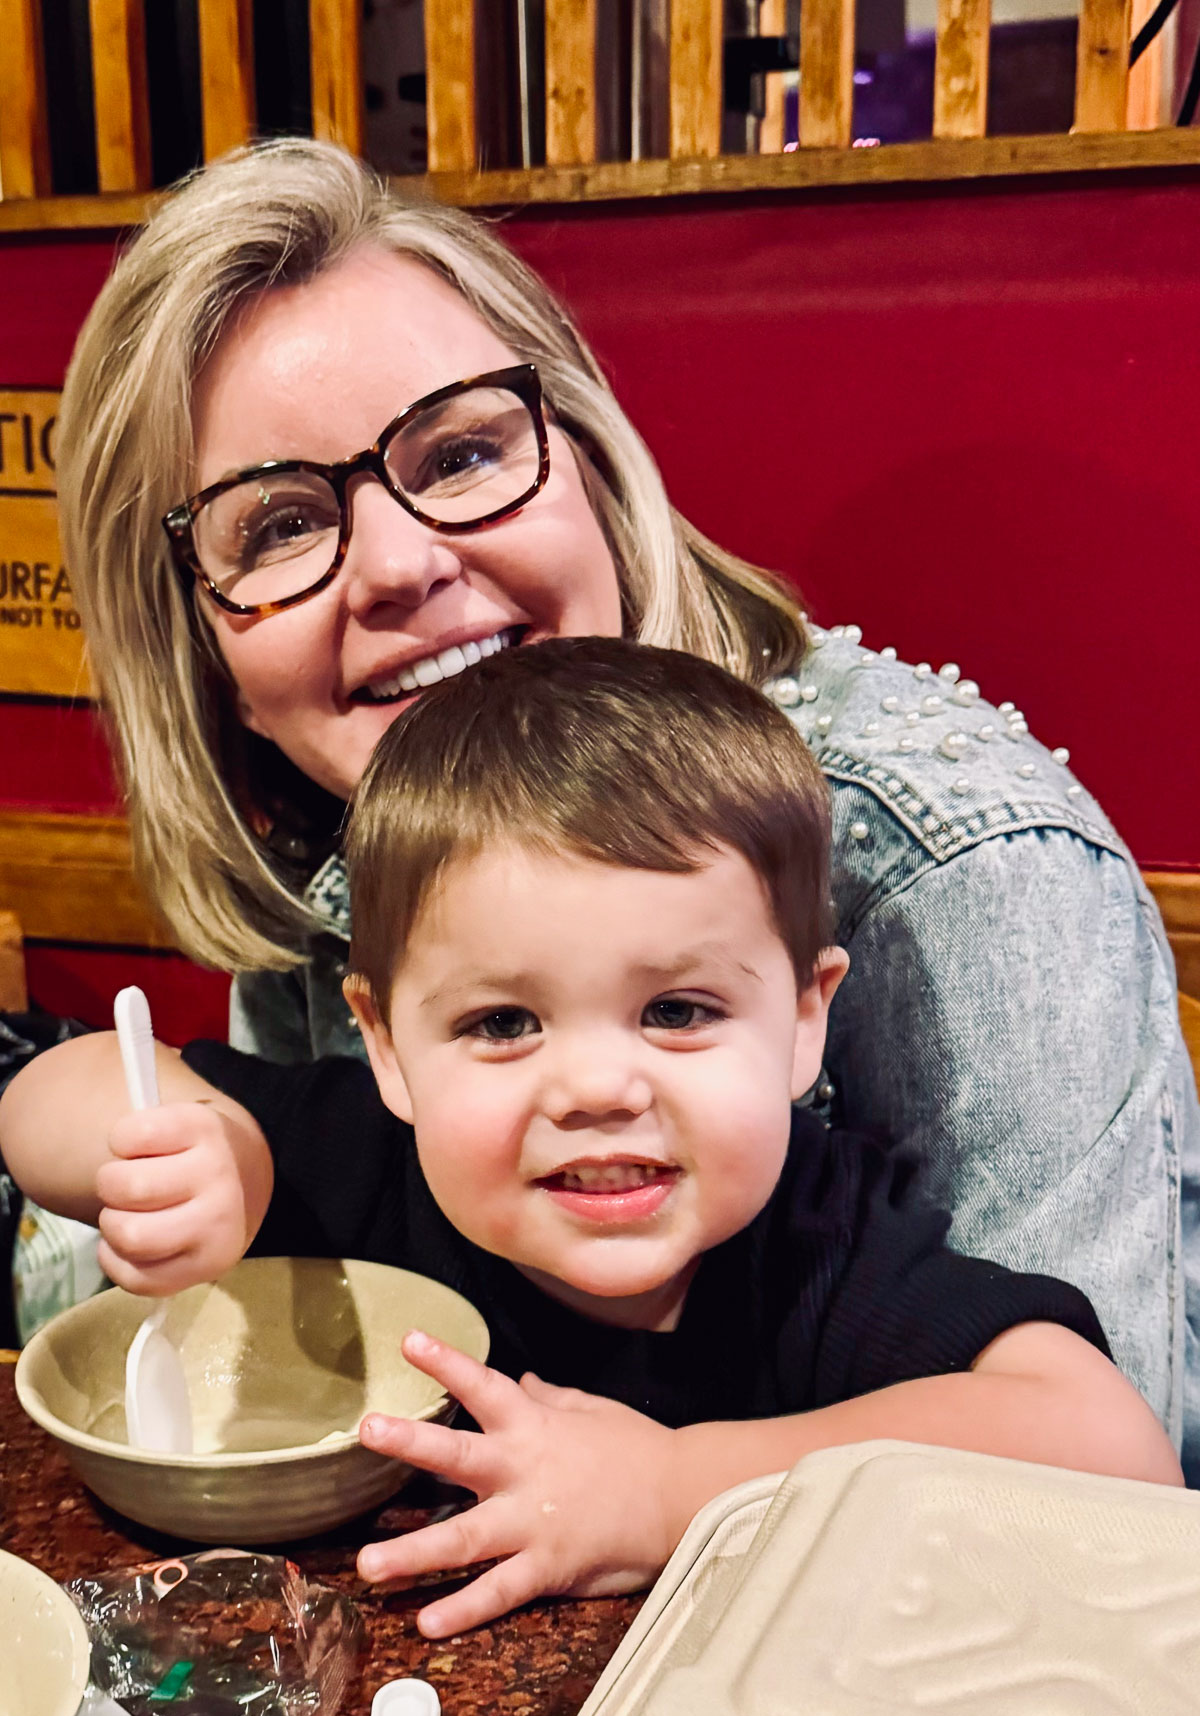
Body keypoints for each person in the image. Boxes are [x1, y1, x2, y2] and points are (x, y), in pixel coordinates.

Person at [52, 137, 1199, 1464]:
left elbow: (1101, 1504)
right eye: (283, 524)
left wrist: (661, 1487)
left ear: (584, 460)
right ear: (205, 654)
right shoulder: (341, 836)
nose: (401, 565)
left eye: (460, 453)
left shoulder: (949, 861)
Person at [0, 641, 1182, 1635]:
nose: (600, 1087)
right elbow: (45, 1094)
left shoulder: (818, 1235)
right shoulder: (350, 1151)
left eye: (678, 1011)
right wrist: (209, 1147)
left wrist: (673, 1490)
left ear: (803, 1022)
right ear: (390, 1047)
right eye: (503, 1022)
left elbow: (1117, 1454)